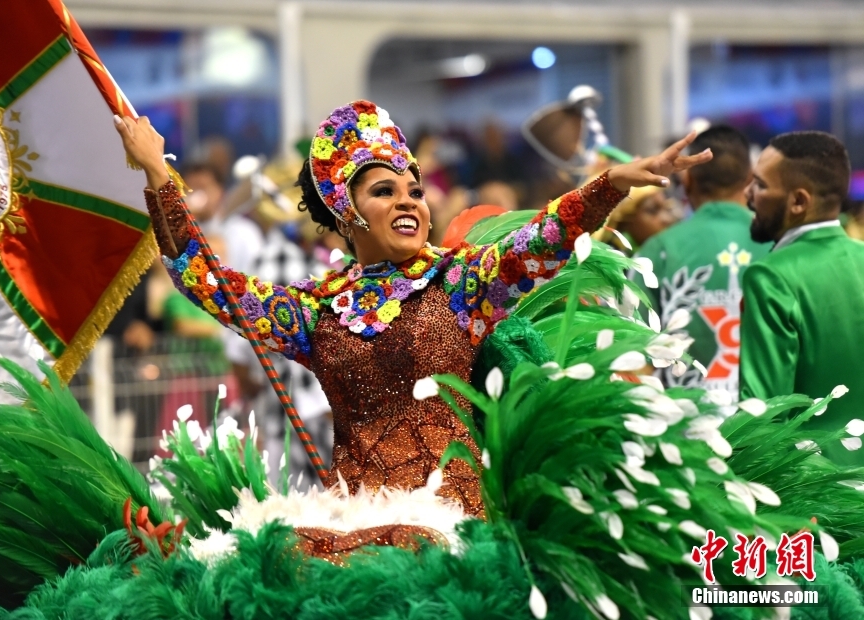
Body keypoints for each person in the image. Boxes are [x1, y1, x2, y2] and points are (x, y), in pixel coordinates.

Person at [114, 100, 711, 516]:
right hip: (349, 523)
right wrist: (156, 175)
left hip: (454, 526)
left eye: (415, 191)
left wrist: (611, 184)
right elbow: (206, 280)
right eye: (384, 190)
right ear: (347, 212)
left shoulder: (460, 282)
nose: (408, 202)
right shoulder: (316, 311)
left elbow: (541, 242)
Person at [740, 130, 864, 465]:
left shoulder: (770, 276)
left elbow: (762, 417)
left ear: (798, 202)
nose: (747, 193)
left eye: (761, 185)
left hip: (817, 502)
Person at [632, 126, 770, 399]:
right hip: (770, 430)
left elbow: (635, 359)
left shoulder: (657, 252)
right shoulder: (780, 244)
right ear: (750, 180)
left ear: (689, 181)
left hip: (683, 431)